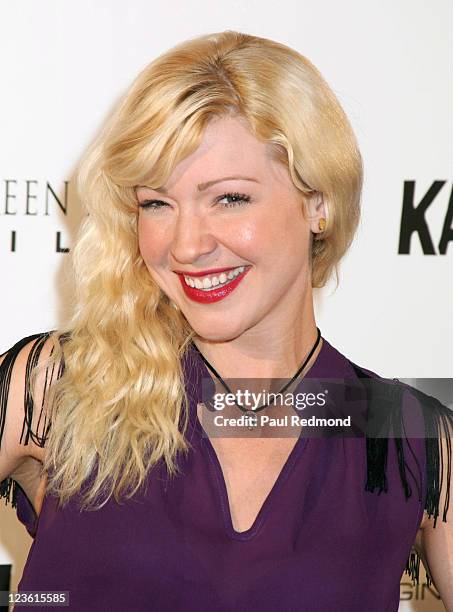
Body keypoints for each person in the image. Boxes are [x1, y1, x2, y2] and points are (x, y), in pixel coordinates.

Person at [0, 30, 452, 611]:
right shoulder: (56, 386)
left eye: (229, 198)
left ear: (319, 203)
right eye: (156, 204)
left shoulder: (406, 439)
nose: (185, 245)